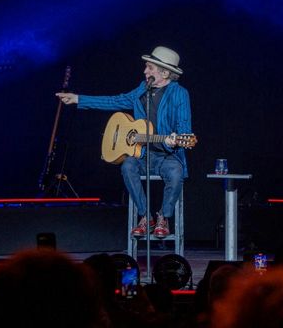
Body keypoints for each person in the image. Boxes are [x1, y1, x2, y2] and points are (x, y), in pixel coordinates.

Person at [56, 46, 192, 239]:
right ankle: (146, 217)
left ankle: (164, 217)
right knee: (127, 166)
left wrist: (174, 140)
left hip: (167, 156)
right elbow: (115, 101)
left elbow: (185, 131)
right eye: (146, 67)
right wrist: (78, 99)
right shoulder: (141, 90)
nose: (145, 72)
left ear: (165, 72)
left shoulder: (179, 94)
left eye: (150, 68)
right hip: (143, 154)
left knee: (176, 173)